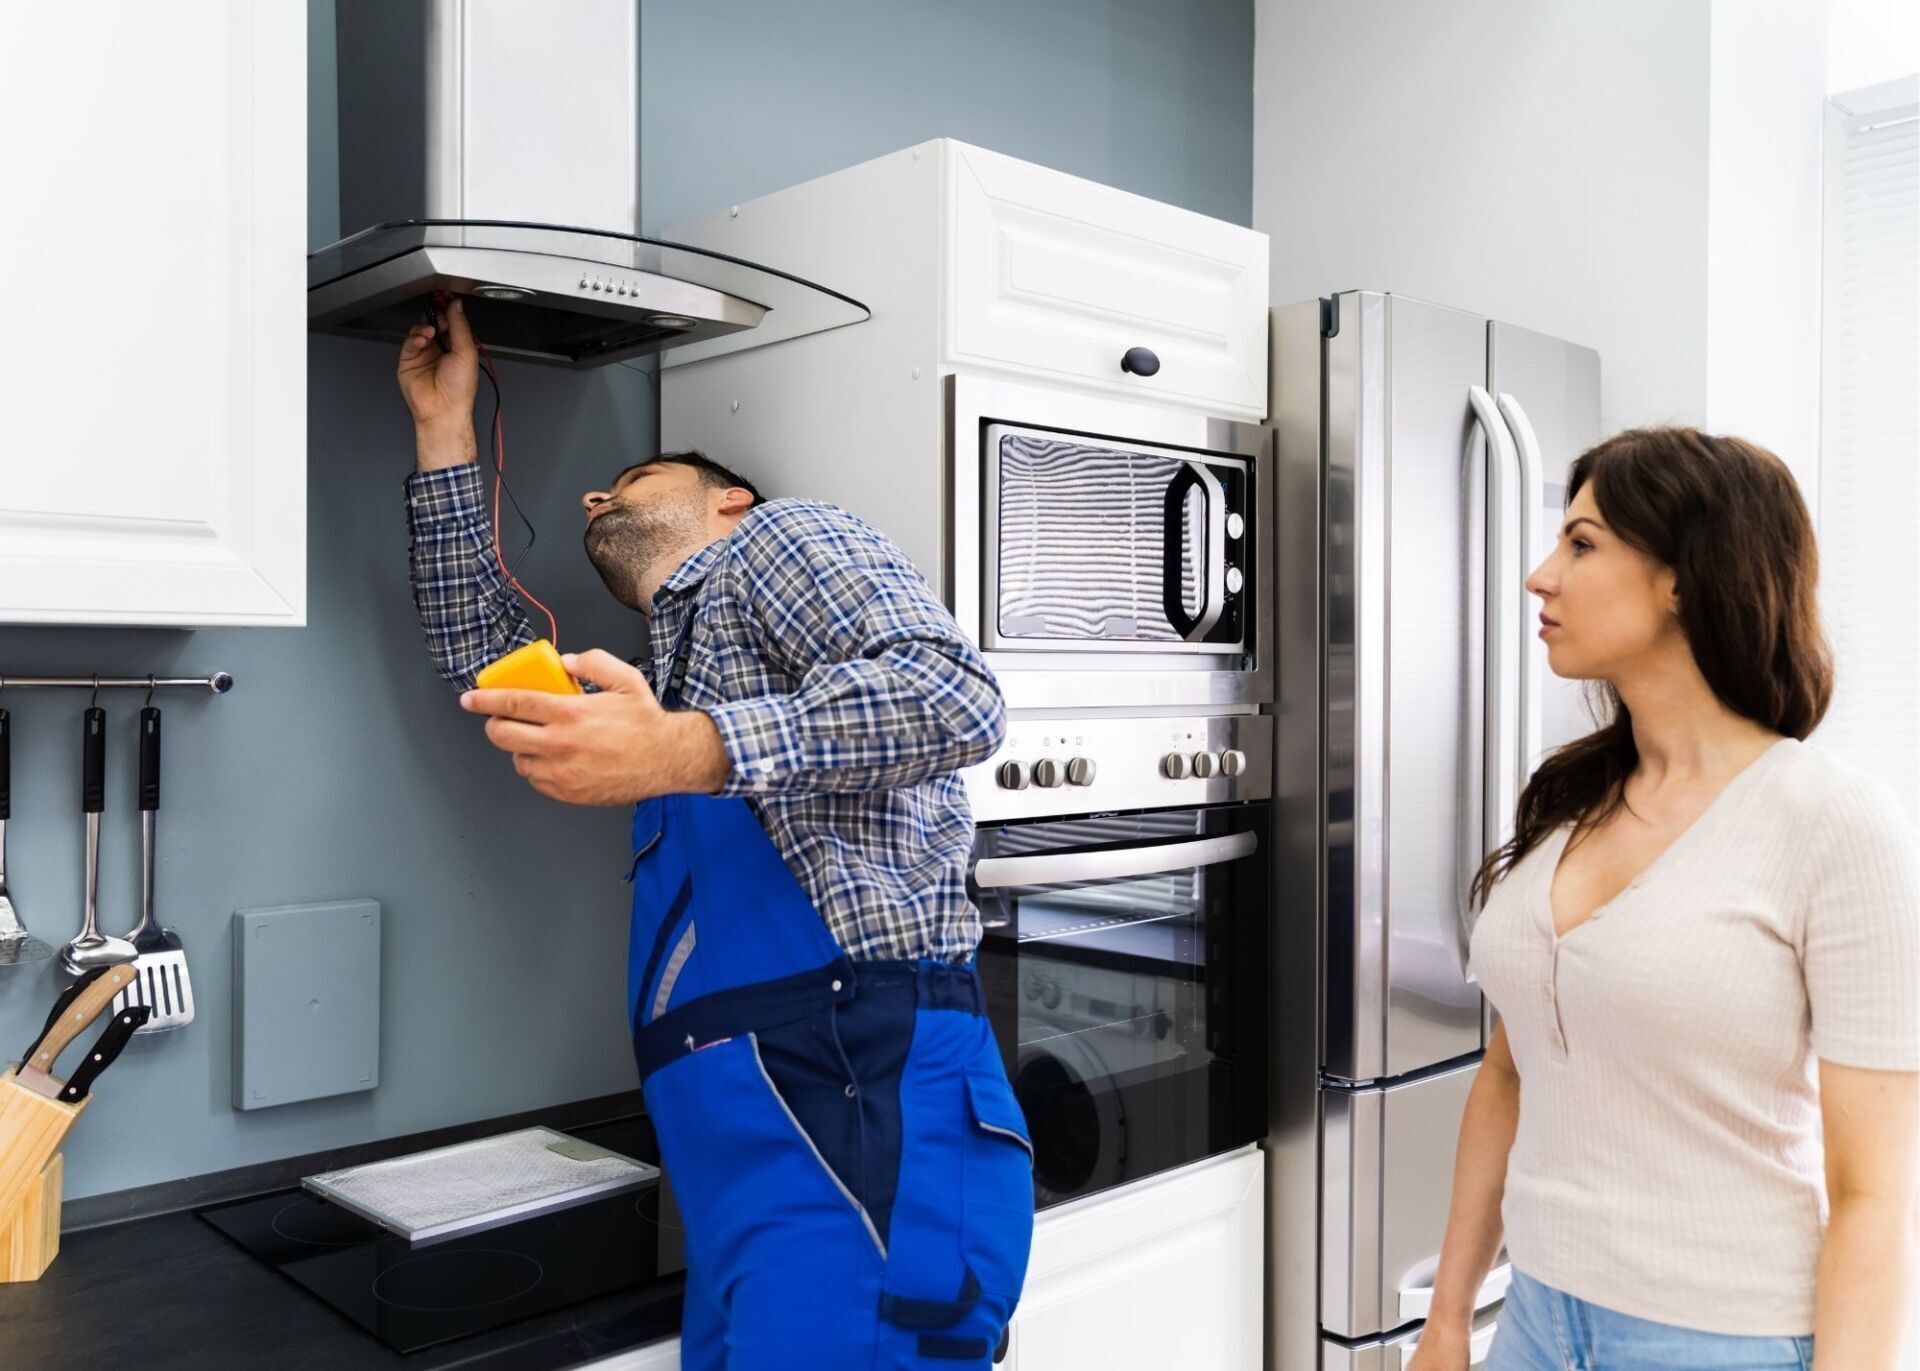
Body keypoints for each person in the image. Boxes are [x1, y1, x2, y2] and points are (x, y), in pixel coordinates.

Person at [393, 297, 1034, 1369]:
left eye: (636, 479)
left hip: (862, 1108)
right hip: (745, 1154)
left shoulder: (783, 538)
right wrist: (443, 424)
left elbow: (951, 696)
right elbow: (481, 656)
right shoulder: (667, 687)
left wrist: (685, 754)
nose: (600, 490)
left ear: (728, 500)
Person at [1408, 428, 1919, 1369]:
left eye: (1582, 543)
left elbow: (1874, 1195)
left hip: (1722, 1339)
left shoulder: (1833, 823)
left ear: (1683, 578)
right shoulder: (1571, 800)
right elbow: (1510, 1076)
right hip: (1532, 1320)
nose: (1539, 576)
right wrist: (1447, 1321)